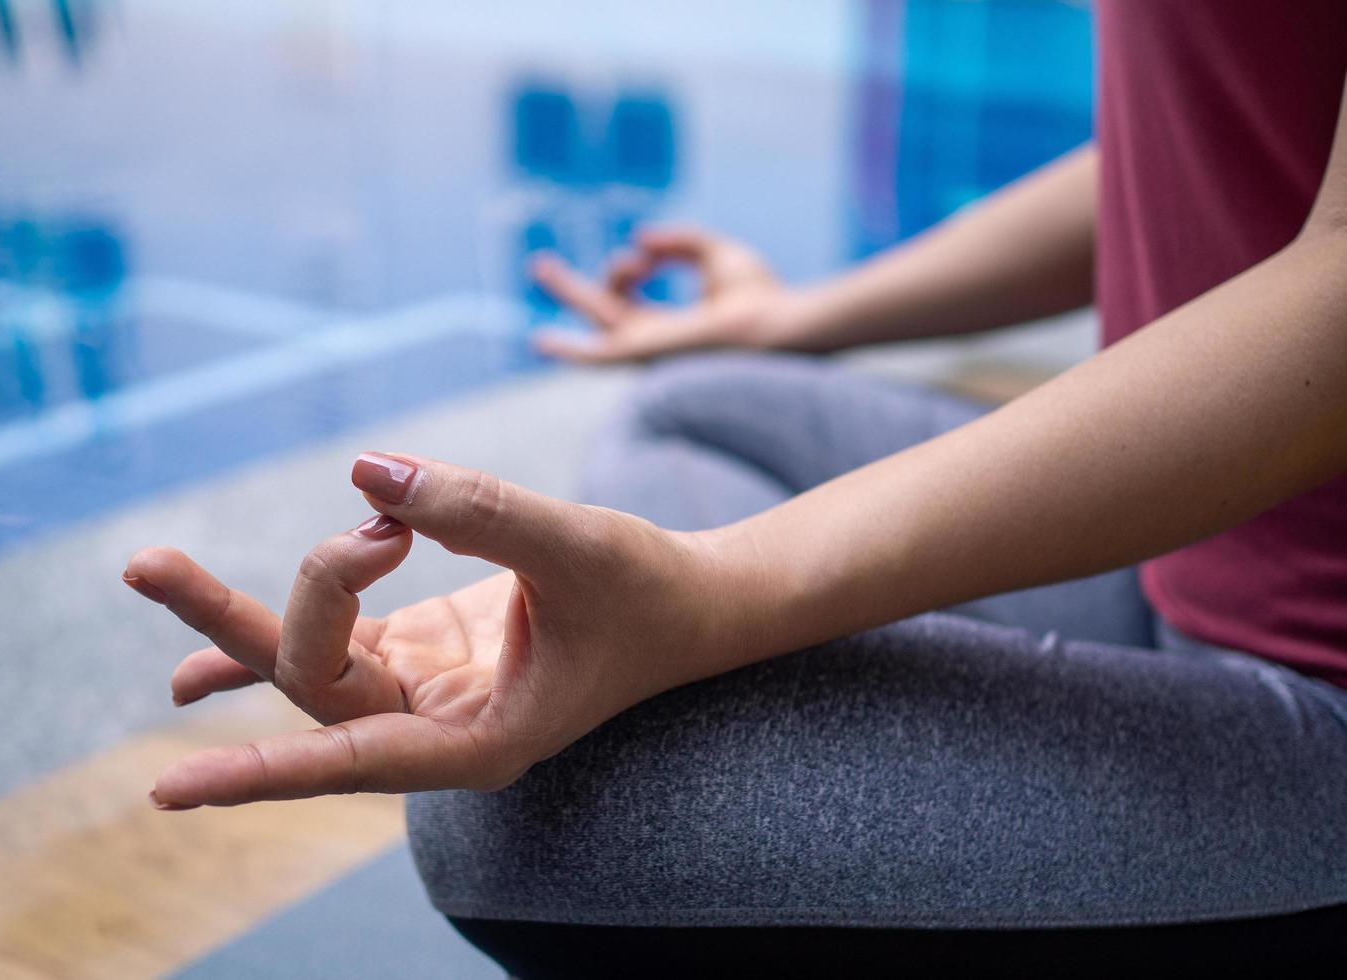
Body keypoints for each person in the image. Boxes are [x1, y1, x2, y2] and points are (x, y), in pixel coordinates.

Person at [123, 2, 1347, 974]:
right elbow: (1207, 134)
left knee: (527, 813)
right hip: (1190, 559)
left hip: (1325, 684)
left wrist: (718, 593)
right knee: (695, 402)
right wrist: (799, 320)